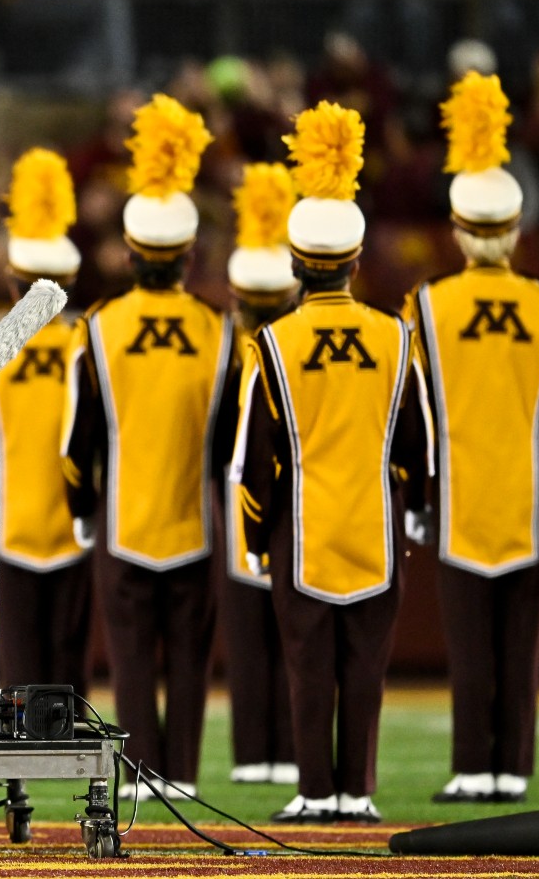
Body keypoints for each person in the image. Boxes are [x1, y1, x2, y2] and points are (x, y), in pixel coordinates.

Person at [235, 102, 431, 824]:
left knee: (308, 668)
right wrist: (415, 512)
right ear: (354, 262)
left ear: (294, 262)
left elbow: (256, 462)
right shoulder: (396, 336)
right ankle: (360, 792)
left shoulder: (274, 343)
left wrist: (257, 539)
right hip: (377, 527)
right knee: (367, 671)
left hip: (300, 530)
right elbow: (418, 443)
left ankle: (316, 791)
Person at [62, 94, 229, 801]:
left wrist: (84, 508)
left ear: (129, 254)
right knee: (189, 658)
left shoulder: (98, 326)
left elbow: (80, 437)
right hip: (197, 524)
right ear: (190, 255)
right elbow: (232, 443)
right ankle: (183, 774)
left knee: (129, 656)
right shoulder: (223, 331)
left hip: (124, 524)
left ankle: (139, 773)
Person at [406, 72, 539, 805]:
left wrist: (413, 500)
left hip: (456, 504)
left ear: (458, 231)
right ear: (516, 230)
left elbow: (411, 415)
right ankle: (514, 767)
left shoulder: (426, 306)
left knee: (470, 651)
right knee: (521, 652)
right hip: (529, 505)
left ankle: (472, 767)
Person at [0, 148, 90, 694]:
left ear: (14, 282)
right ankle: (75, 743)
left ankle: (22, 756)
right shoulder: (86, 344)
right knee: (69, 657)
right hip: (75, 526)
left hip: (10, 526)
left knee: (19, 662)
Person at [217, 163, 299, 787]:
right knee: (284, 629)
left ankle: (260, 752)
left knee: (259, 629)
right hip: (297, 499)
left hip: (245, 495)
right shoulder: (248, 346)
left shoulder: (229, 345)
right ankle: (280, 751)